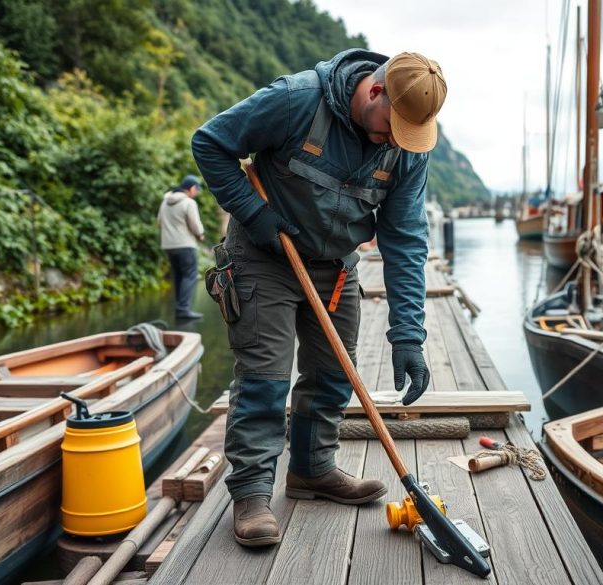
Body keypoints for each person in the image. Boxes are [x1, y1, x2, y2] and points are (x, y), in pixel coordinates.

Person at [191, 49, 445, 547]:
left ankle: (311, 471)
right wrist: (255, 216)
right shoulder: (295, 100)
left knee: (332, 375)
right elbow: (211, 143)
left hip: (335, 267)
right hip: (266, 255)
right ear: (374, 91)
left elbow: (406, 241)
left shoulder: (409, 148)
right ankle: (251, 494)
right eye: (390, 128)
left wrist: (409, 336)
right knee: (265, 378)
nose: (395, 141)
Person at [157, 175, 205, 320]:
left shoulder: (165, 202)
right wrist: (200, 234)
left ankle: (180, 307)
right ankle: (183, 309)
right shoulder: (189, 203)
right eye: (196, 190)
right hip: (185, 245)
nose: (196, 193)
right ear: (191, 188)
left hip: (168, 245)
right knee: (190, 275)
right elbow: (195, 225)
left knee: (178, 275)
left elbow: (159, 222)